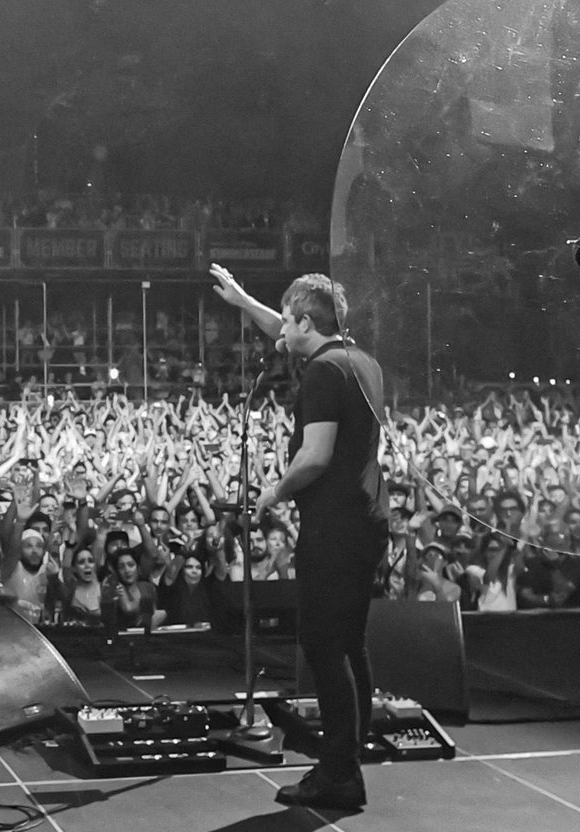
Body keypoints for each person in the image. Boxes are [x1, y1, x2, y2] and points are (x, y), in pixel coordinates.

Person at [214, 263, 386, 811]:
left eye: (288, 321)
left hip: (333, 526)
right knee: (350, 641)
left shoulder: (321, 374)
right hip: (366, 521)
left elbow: (314, 458)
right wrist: (245, 301)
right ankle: (350, 751)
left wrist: (271, 494)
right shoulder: (359, 361)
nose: (281, 331)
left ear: (307, 323)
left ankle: (339, 775)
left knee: (321, 644)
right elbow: (287, 333)